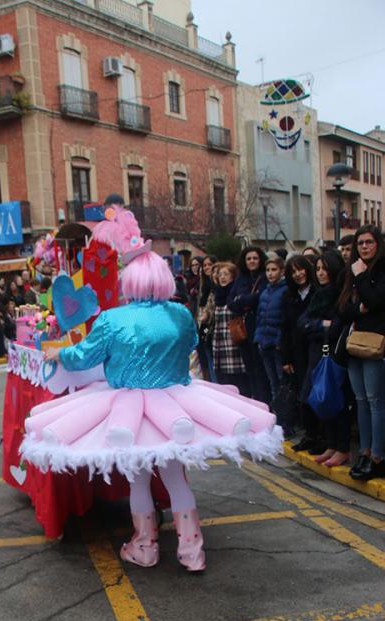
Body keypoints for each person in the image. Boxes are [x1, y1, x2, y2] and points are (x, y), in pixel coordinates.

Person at [21, 208, 281, 570]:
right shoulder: (179, 313)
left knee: (138, 479)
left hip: (126, 407)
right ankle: (192, 553)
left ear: (131, 281)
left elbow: (82, 357)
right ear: (162, 279)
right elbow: (190, 344)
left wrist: (59, 353)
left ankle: (146, 545)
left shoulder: (114, 319)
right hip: (176, 400)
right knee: (175, 476)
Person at [337, 225, 385, 480]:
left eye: (369, 242)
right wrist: (361, 309)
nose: (364, 247)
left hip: (376, 344)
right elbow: (343, 309)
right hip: (354, 344)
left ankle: (378, 456)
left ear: (378, 244)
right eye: (360, 243)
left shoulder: (373, 270)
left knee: (376, 402)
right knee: (361, 401)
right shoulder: (353, 270)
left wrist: (361, 278)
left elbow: (377, 301)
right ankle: (364, 452)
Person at [298, 251, 350, 467]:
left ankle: (343, 447)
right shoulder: (318, 295)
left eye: (324, 268)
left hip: (333, 354)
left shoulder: (340, 295)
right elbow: (303, 323)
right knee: (319, 399)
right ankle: (331, 444)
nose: (320, 273)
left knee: (334, 400)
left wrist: (317, 326)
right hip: (315, 353)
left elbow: (337, 326)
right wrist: (320, 325)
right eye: (317, 268)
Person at [282, 254, 321, 452]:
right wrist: (286, 358)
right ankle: (310, 434)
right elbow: (285, 328)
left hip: (316, 348)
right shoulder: (288, 296)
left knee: (316, 393)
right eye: (293, 271)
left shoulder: (318, 291)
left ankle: (320, 436)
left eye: (301, 269)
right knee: (302, 394)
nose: (298, 274)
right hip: (297, 351)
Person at [227, 246, 270, 403]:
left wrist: (243, 300)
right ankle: (256, 401)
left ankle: (264, 401)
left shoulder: (264, 277)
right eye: (249, 258)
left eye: (255, 258)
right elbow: (230, 302)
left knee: (261, 369)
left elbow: (260, 298)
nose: (252, 261)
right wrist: (247, 300)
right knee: (250, 368)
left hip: (258, 327)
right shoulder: (240, 279)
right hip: (243, 329)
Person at [254, 254, 288, 407]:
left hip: (278, 344)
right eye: (268, 270)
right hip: (264, 342)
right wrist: (258, 338)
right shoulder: (265, 292)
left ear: (282, 271)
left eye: (274, 269)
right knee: (272, 382)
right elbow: (260, 318)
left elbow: (285, 319)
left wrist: (280, 341)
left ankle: (287, 418)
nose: (270, 273)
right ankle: (278, 416)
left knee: (282, 383)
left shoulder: (286, 290)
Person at [212, 262, 249, 393]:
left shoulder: (235, 294)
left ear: (233, 276)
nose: (222, 277)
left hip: (234, 342)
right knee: (224, 381)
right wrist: (205, 333)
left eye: (226, 274)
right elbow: (210, 323)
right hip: (220, 342)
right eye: (220, 274)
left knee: (239, 380)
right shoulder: (217, 295)